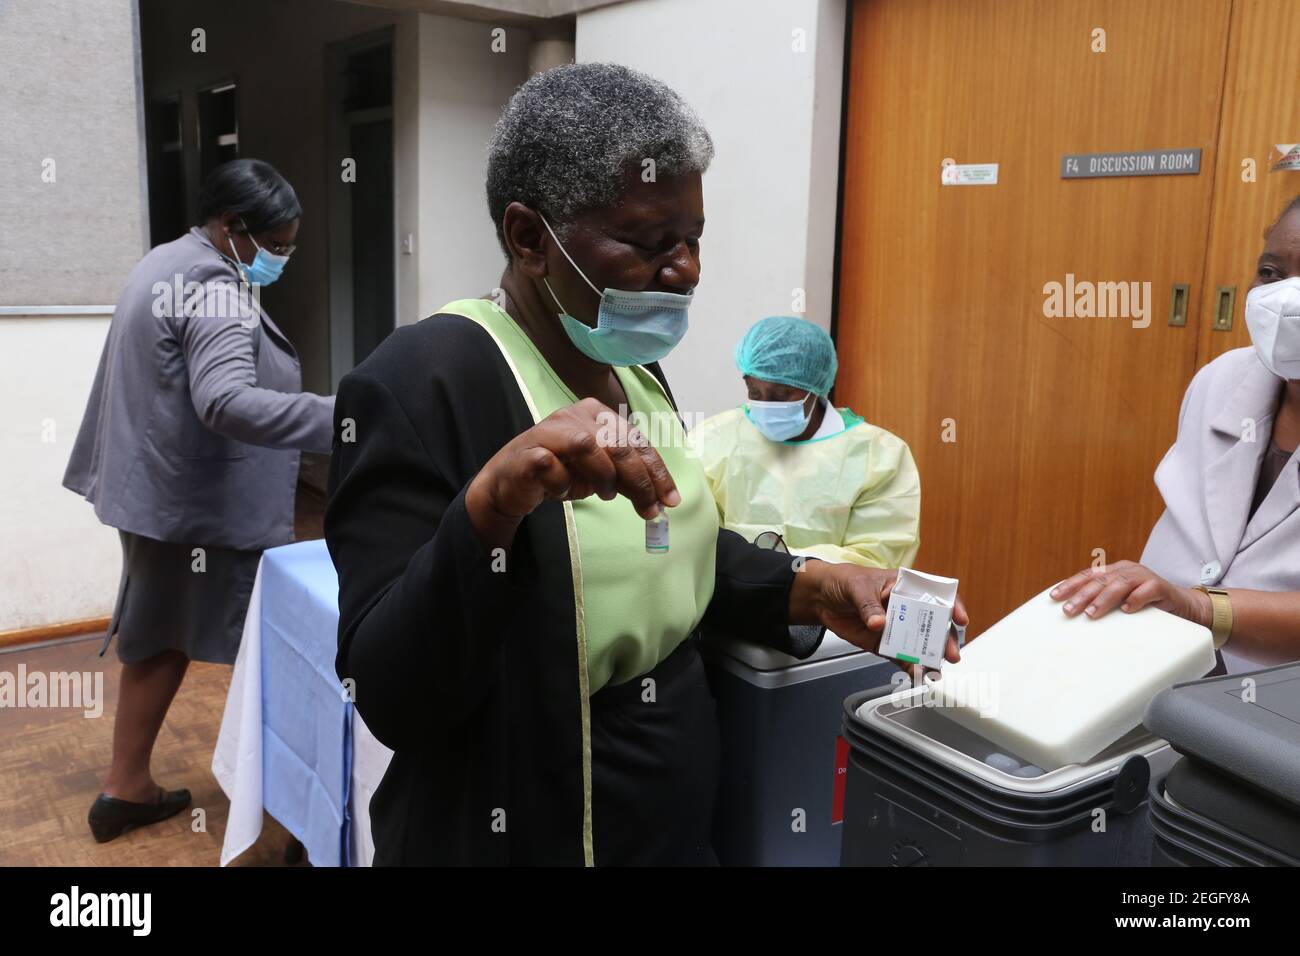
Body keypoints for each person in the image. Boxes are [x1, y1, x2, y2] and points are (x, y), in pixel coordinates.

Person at [324, 63, 964, 866]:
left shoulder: (632, 368)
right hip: (519, 815)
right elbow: (392, 690)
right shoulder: (423, 381)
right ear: (530, 238)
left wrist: (808, 585)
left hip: (664, 801)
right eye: (652, 243)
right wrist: (493, 503)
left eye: (693, 239)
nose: (688, 270)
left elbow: (668, 547)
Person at [63, 159, 334, 841]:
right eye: (274, 245)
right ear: (232, 227)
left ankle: (126, 787)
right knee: (276, 648)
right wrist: (348, 418)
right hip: (191, 505)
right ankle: (280, 816)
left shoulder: (165, 259)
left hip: (153, 492)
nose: (283, 258)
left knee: (161, 638)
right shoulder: (213, 282)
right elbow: (225, 399)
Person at [1051, 195, 1300, 671]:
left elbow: (1200, 600)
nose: (1287, 298)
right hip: (1159, 670)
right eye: (1270, 273)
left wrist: (1202, 607)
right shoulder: (1223, 379)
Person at [693, 315, 921, 568]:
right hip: (733, 597)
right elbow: (694, 534)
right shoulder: (712, 439)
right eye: (754, 392)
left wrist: (782, 568)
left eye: (782, 394)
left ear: (815, 386)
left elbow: (879, 556)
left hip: (830, 602)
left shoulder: (880, 455)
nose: (766, 405)